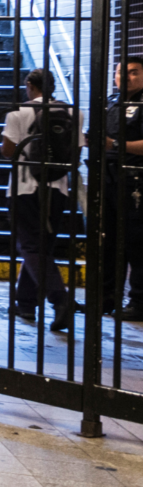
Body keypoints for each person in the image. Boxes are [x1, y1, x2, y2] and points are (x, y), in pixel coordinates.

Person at [2, 69, 80, 331]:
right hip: (58, 187)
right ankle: (25, 302)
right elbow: (76, 152)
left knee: (30, 246)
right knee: (40, 246)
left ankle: (60, 299)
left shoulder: (18, 113)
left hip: (26, 187)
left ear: (29, 85)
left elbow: (8, 151)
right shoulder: (73, 113)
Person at [103, 56, 143, 321]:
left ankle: (138, 302)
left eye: (134, 72)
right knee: (108, 241)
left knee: (135, 243)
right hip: (108, 179)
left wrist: (116, 146)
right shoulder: (110, 102)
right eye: (121, 73)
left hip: (135, 181)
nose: (126, 77)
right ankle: (105, 299)